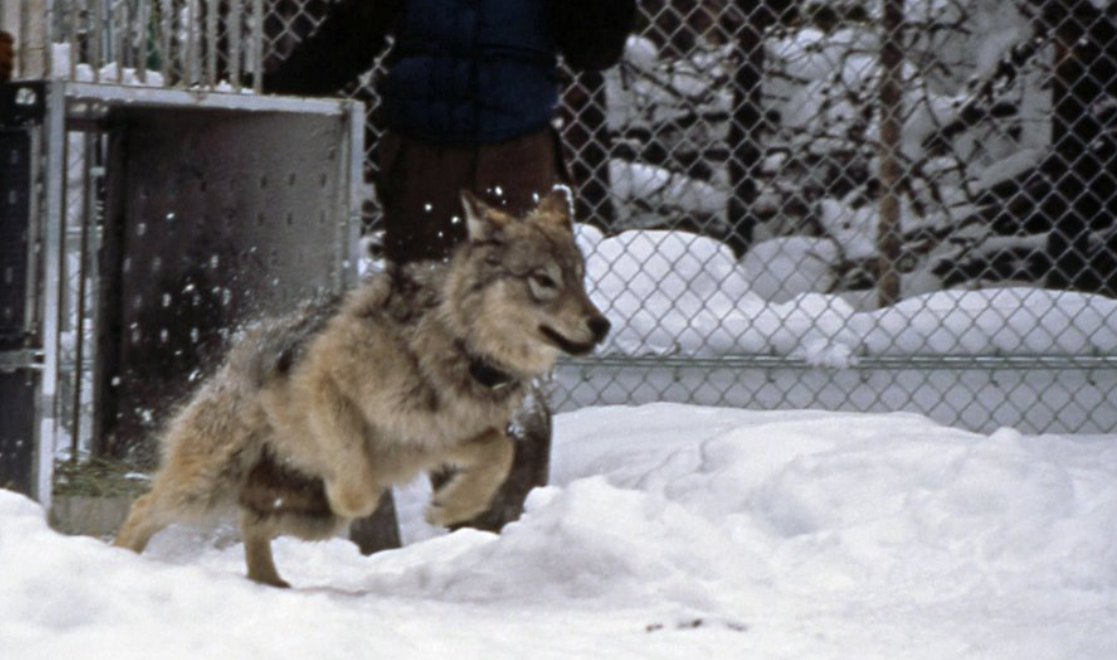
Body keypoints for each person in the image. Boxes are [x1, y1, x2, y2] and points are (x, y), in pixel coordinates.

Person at [264, 0, 635, 549]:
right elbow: (353, 33)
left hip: (514, 148)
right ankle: (409, 529)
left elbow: (594, 50)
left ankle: (504, 532)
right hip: (422, 153)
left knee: (515, 342)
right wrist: (269, 92)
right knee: (420, 336)